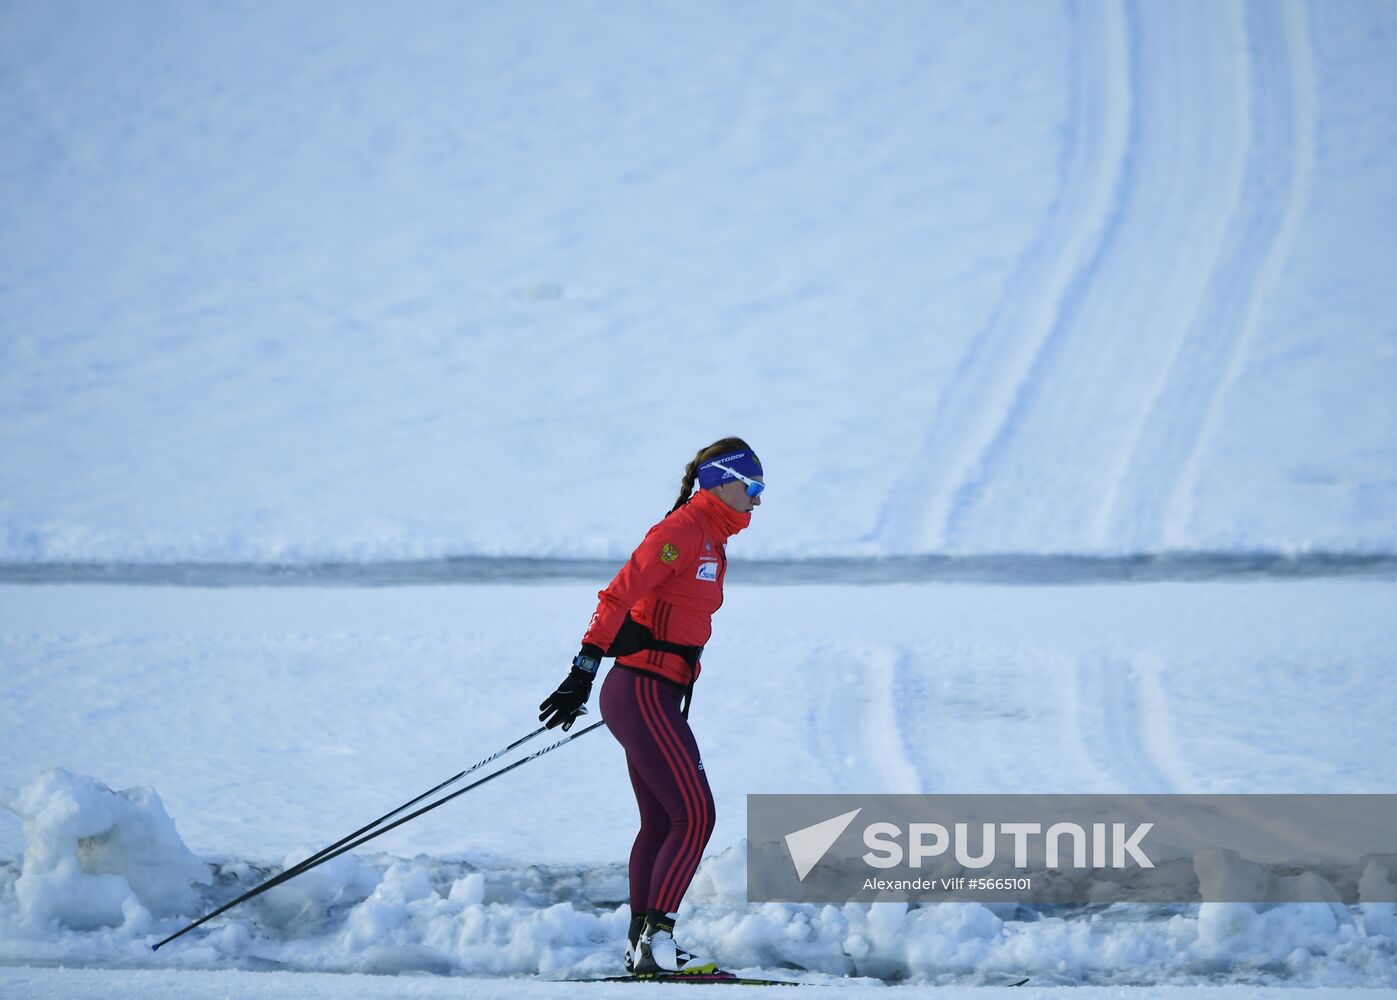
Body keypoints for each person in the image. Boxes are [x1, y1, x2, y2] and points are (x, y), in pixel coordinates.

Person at [538, 438, 765, 976]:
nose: (757, 501)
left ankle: (644, 946)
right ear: (720, 482)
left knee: (663, 821)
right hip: (640, 688)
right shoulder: (681, 532)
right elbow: (618, 594)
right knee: (697, 814)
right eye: (751, 487)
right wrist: (582, 671)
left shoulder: (711, 535)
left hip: (655, 691)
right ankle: (655, 942)